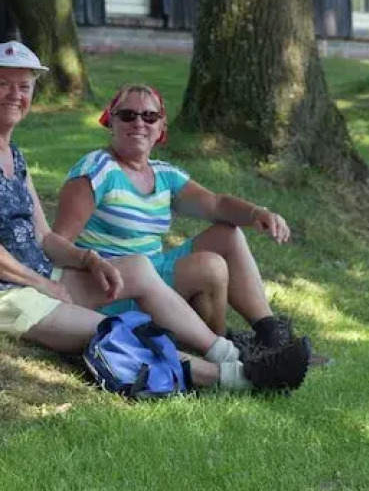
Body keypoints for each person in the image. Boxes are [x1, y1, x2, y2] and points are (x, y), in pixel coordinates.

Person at [0, 41, 310, 394]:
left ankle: (231, 353)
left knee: (138, 269)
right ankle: (242, 379)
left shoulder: (13, 155)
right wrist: (40, 282)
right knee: (116, 331)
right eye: (4, 84)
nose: (16, 95)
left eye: (24, 87)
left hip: (32, 279)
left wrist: (87, 261)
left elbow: (44, 237)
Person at [53, 83, 312, 353]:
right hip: (116, 286)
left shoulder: (163, 174)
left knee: (227, 235)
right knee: (209, 267)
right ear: (111, 121)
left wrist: (256, 213)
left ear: (161, 127)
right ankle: (224, 352)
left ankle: (272, 336)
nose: (139, 122)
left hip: (153, 270)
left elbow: (215, 204)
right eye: (127, 115)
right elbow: (57, 243)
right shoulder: (95, 172)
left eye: (149, 116)